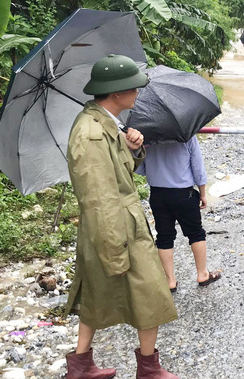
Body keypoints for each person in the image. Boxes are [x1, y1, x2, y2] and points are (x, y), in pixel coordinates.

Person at [65, 54, 179, 379]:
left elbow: (121, 173)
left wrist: (134, 147)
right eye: (134, 88)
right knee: (152, 292)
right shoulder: (91, 133)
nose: (138, 93)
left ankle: (81, 364)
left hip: (115, 224)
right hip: (115, 228)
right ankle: (149, 369)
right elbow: (99, 197)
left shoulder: (106, 124)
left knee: (95, 292)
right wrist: (115, 250)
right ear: (116, 93)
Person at [136, 138, 222, 292]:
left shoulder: (147, 136)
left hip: (158, 194)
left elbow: (140, 169)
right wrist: (202, 194)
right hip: (184, 193)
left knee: (164, 237)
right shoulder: (186, 135)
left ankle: (170, 281)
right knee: (196, 233)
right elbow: (198, 168)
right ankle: (202, 274)